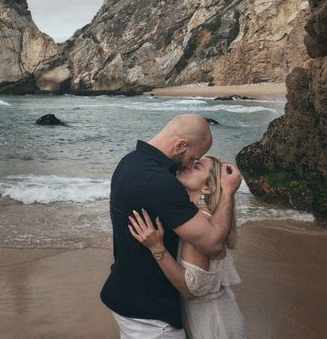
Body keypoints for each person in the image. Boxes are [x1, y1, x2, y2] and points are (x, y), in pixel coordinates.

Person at [100, 114, 242, 339]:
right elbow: (214, 244)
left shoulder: (130, 162)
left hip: (128, 297)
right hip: (151, 315)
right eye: (193, 157)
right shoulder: (160, 181)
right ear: (180, 146)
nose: (190, 164)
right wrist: (229, 193)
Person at [128, 156, 246, 339]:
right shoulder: (201, 217)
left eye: (197, 166)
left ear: (207, 188)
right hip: (214, 316)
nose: (188, 165)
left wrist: (156, 247)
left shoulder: (201, 221)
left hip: (211, 325)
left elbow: (191, 288)